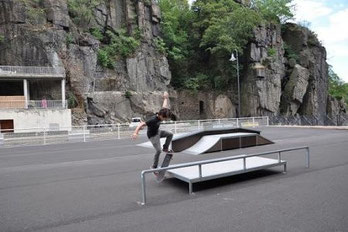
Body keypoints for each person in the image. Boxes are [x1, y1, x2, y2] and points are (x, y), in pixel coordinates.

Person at [132, 92, 175, 170]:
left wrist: (165, 98)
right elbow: (141, 125)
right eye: (164, 118)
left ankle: (165, 148)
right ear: (161, 116)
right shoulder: (152, 120)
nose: (165, 120)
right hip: (153, 136)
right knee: (158, 151)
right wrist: (135, 132)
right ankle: (154, 166)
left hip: (158, 132)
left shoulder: (162, 112)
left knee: (170, 134)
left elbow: (164, 106)